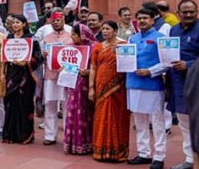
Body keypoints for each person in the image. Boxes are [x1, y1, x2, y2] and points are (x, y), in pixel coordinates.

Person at [126, 9, 167, 169]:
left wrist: (150, 71)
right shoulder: (132, 38)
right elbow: (126, 59)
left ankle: (159, 156)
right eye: (139, 18)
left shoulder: (161, 38)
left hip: (153, 85)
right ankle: (144, 153)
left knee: (157, 122)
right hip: (133, 83)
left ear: (152, 20)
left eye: (145, 18)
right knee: (139, 121)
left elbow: (168, 62)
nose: (142, 21)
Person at [89, 20, 130, 162]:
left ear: (115, 31)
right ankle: (101, 150)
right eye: (103, 29)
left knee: (117, 116)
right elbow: (93, 67)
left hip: (118, 86)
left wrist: (120, 53)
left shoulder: (123, 45)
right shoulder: (98, 47)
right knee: (101, 116)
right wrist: (91, 87)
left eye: (108, 29)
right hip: (100, 85)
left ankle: (117, 151)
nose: (105, 31)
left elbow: (129, 64)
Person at [166, 0, 199, 169]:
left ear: (197, 12)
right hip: (178, 82)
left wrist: (189, 65)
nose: (188, 15)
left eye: (192, 12)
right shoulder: (174, 30)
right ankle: (190, 159)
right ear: (178, 13)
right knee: (184, 123)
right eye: (185, 12)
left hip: (196, 82)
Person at [2, 15, 43, 144]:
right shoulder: (9, 38)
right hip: (11, 74)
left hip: (25, 76)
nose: (15, 25)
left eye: (18, 22)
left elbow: (38, 58)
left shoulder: (31, 39)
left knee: (24, 104)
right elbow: (4, 57)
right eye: (14, 22)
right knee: (10, 103)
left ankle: (24, 135)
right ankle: (10, 134)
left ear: (24, 24)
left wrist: (25, 63)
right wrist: (2, 73)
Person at [40, 11, 73, 146]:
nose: (56, 23)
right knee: (50, 104)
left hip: (66, 75)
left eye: (58, 20)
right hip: (51, 75)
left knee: (67, 105)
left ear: (63, 20)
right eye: (53, 21)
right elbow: (42, 56)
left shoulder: (71, 37)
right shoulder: (46, 38)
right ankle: (50, 136)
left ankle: (68, 136)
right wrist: (44, 54)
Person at [63, 24, 96, 155]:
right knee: (72, 111)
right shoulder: (71, 47)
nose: (72, 37)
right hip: (72, 83)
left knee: (85, 113)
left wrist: (87, 72)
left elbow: (98, 66)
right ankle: (73, 143)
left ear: (82, 35)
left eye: (75, 34)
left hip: (86, 84)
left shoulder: (93, 47)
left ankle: (86, 143)